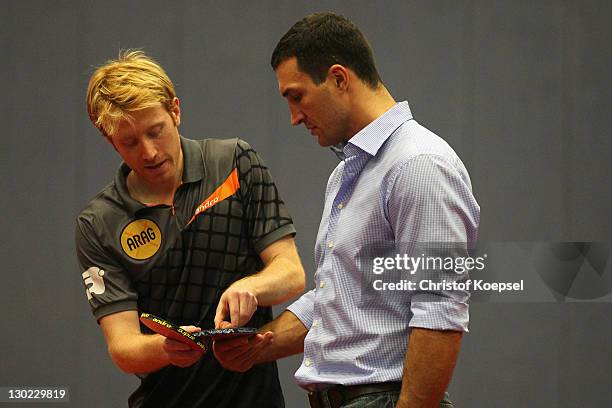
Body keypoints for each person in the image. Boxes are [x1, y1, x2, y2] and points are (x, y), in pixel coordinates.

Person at [214, 12, 480, 408]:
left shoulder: (420, 164)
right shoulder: (344, 175)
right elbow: (332, 302)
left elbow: (440, 312)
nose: (293, 118)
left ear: (339, 79)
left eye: (297, 95)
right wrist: (255, 348)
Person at [76, 50, 305, 407]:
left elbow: (291, 272)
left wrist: (252, 287)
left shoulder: (234, 162)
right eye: (130, 142)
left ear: (175, 111)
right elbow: (123, 347)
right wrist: (166, 347)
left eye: (156, 131)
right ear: (109, 140)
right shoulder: (99, 222)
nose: (149, 152)